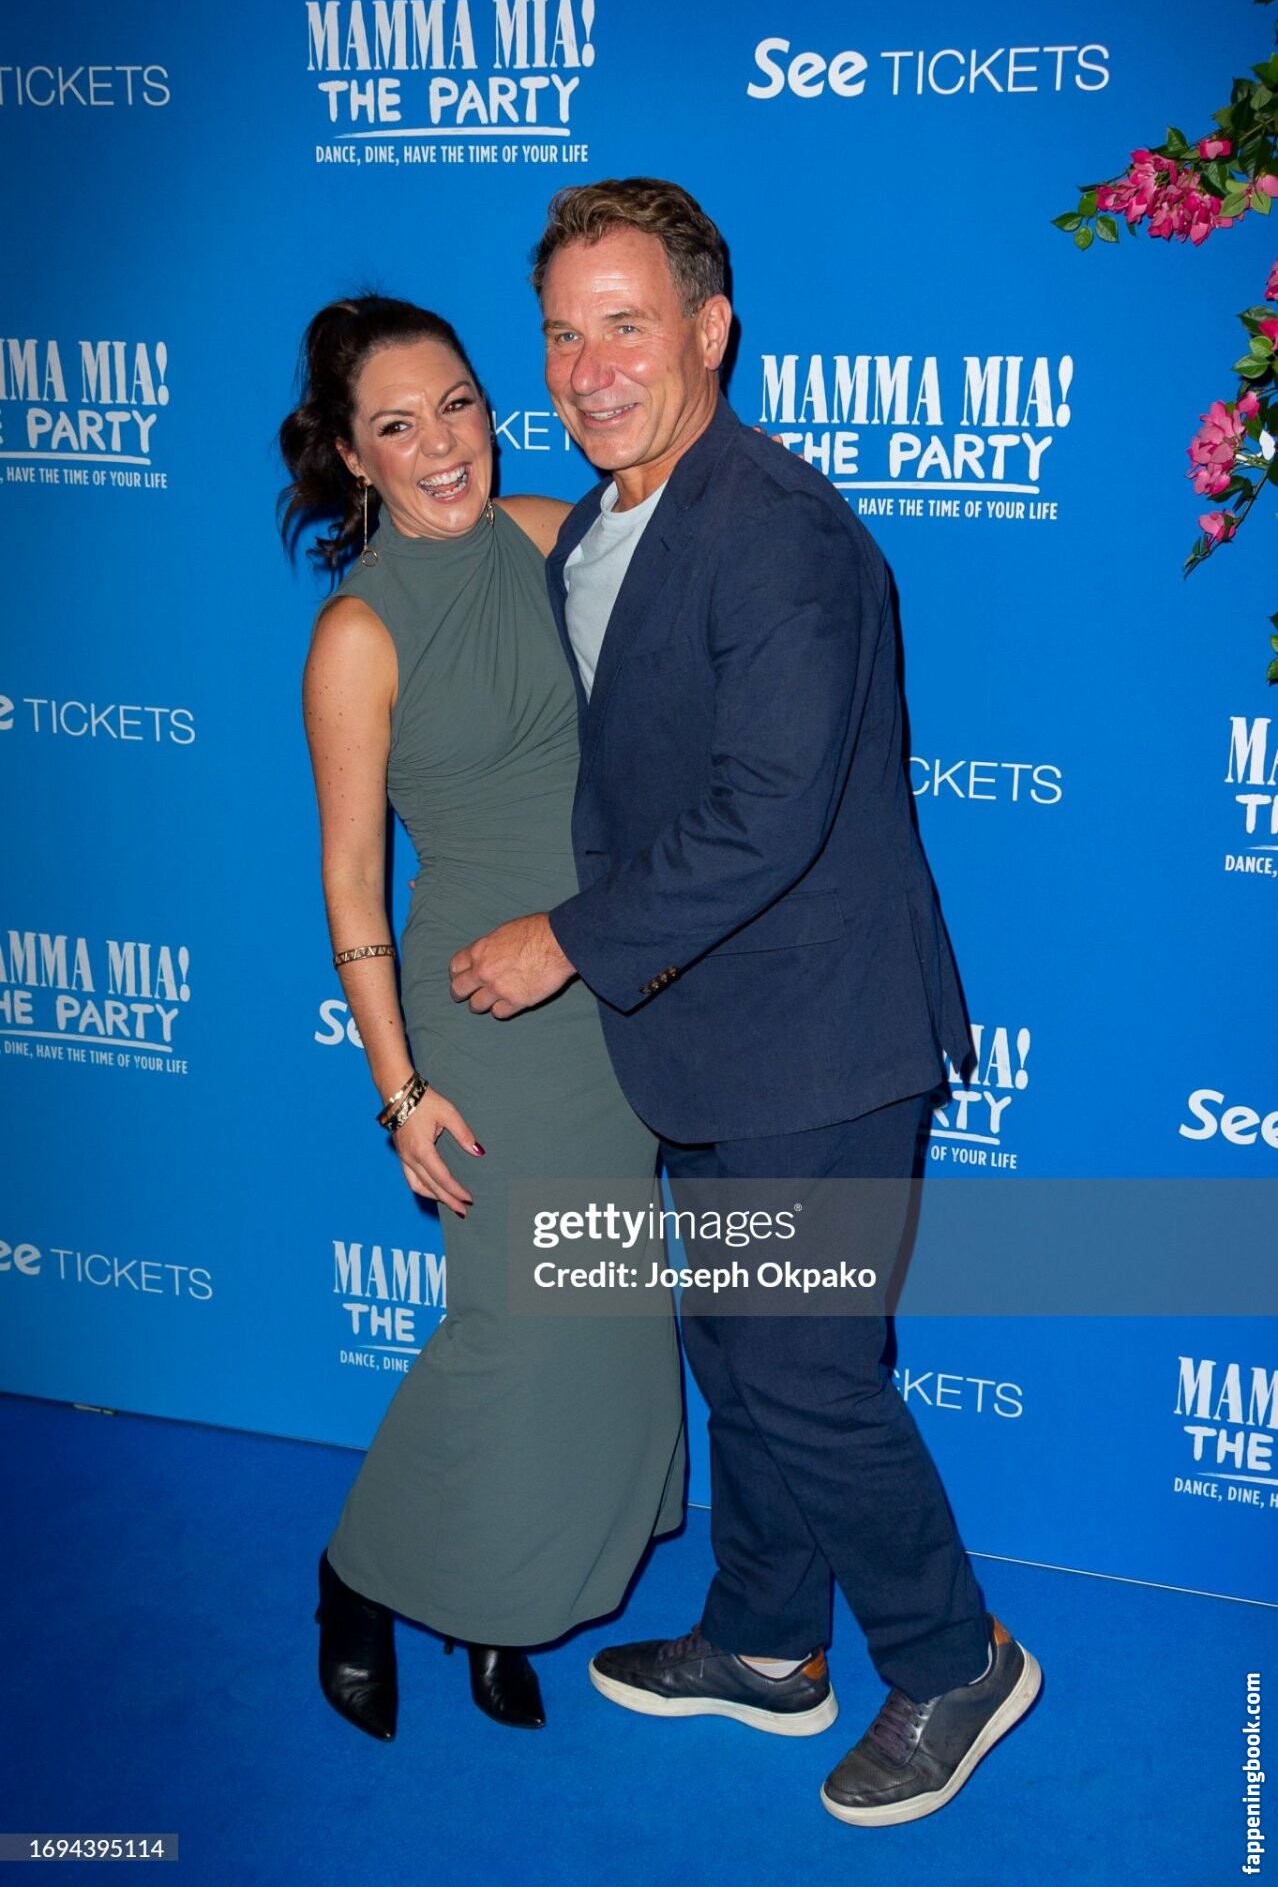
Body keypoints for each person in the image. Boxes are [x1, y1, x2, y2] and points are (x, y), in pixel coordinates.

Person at [448, 180, 1041, 1824]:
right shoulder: (606, 518)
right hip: (710, 1033)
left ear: (709, 329)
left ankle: (954, 1661)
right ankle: (771, 1643)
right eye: (561, 335)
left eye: (625, 326)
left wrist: (563, 941)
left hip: (817, 1038)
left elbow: (764, 812)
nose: (588, 368)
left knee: (801, 1371)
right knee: (738, 1348)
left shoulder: (775, 530)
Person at [279, 294, 685, 1740]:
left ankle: (494, 1609)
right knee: (511, 1330)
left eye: (457, 404)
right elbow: (351, 887)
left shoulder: (541, 534)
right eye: (398, 425)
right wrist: (399, 1092)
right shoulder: (356, 633)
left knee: (597, 1325)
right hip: (482, 1014)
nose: (442, 443)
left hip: (601, 984)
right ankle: (356, 1575)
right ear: (352, 456)